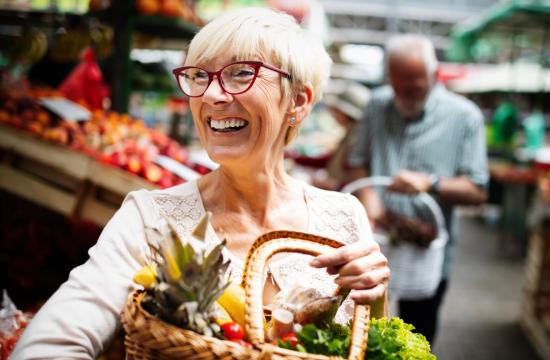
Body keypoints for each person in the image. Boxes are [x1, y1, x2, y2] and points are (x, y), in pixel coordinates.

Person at [11, 8, 389, 359]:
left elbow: (376, 343)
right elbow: (48, 345)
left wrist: (376, 300)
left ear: (299, 102)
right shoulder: (150, 218)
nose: (210, 95)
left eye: (241, 73)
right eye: (198, 76)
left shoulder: (343, 216)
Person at [348, 33, 488, 344]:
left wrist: (431, 183)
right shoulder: (376, 105)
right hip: (376, 242)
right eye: (397, 87)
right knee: (361, 335)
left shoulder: (465, 118)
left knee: (416, 338)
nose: (404, 96)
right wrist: (369, 198)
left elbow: (478, 190)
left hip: (426, 257)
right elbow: (358, 161)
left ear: (435, 77)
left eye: (414, 89)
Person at [312, 80, 370, 190]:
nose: (333, 115)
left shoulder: (359, 140)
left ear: (346, 113)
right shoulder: (352, 133)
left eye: (336, 111)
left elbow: (361, 181)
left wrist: (335, 185)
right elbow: (332, 161)